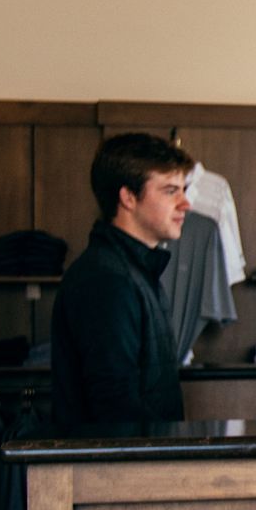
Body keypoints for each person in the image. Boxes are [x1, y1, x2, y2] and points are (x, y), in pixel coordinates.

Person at [50, 133, 195, 428]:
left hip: (142, 464)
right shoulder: (107, 280)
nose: (185, 204)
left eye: (184, 190)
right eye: (170, 191)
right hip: (118, 471)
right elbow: (116, 408)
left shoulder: (135, 270)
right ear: (128, 197)